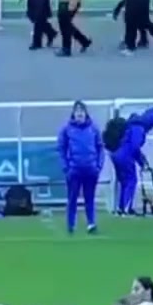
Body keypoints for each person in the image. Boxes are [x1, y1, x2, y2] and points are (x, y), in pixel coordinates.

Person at [56, 101, 104, 235]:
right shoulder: (67, 129)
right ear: (73, 113)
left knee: (90, 198)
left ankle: (91, 224)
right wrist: (66, 167)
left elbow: (100, 147)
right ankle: (71, 225)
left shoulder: (93, 129)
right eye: (77, 111)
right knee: (72, 198)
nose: (79, 114)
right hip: (74, 170)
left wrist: (98, 165)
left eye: (81, 111)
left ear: (85, 113)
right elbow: (61, 148)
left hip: (91, 169)